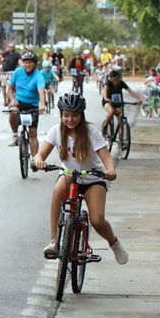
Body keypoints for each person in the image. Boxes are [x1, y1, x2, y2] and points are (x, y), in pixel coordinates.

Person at [33, 92, 127, 265]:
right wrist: (39, 161)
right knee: (57, 192)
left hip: (93, 178)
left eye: (74, 115)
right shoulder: (56, 131)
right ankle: (54, 241)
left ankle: (114, 243)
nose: (70, 119)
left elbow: (106, 157)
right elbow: (41, 154)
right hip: (69, 175)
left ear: (81, 115)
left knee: (97, 220)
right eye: (66, 115)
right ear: (61, 115)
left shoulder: (91, 132)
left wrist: (110, 170)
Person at [6, 51, 48, 154]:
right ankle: (15, 135)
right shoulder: (17, 72)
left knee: (33, 133)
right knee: (13, 112)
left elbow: (41, 91)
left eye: (30, 62)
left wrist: (42, 105)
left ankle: (34, 159)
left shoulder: (38, 75)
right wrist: (12, 99)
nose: (28, 65)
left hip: (32, 106)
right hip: (18, 102)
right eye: (26, 62)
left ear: (35, 63)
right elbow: (10, 87)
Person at [99, 67, 142, 136]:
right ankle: (105, 127)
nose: (116, 81)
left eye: (117, 79)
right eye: (114, 80)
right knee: (112, 111)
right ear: (111, 80)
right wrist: (106, 98)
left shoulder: (121, 83)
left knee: (121, 121)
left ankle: (121, 140)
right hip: (108, 102)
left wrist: (138, 99)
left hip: (118, 103)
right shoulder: (108, 84)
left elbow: (130, 92)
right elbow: (105, 92)